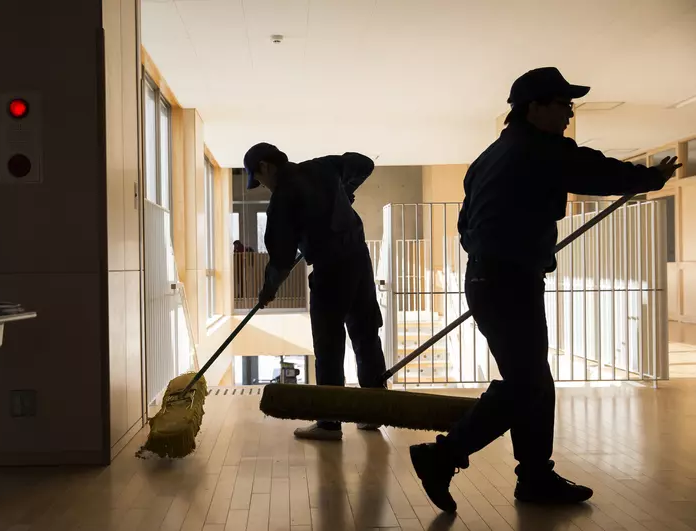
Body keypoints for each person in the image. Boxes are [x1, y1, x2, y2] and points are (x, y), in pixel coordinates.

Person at [409, 67, 681, 513]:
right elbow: (592, 171)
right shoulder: (538, 149)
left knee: (536, 379)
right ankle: (443, 454)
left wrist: (493, 253)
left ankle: (534, 476)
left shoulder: (490, 156)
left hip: (488, 278)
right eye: (563, 104)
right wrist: (649, 178)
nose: (569, 114)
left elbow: (465, 224)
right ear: (534, 108)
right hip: (507, 281)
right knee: (527, 382)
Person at [243, 143, 387, 441]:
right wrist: (345, 191)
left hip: (331, 269)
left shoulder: (283, 198)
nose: (264, 186)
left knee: (329, 345)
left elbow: (281, 258)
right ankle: (375, 412)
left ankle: (330, 423)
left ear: (267, 167)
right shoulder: (320, 167)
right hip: (359, 260)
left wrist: (268, 291)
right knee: (365, 332)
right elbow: (363, 163)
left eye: (259, 179)